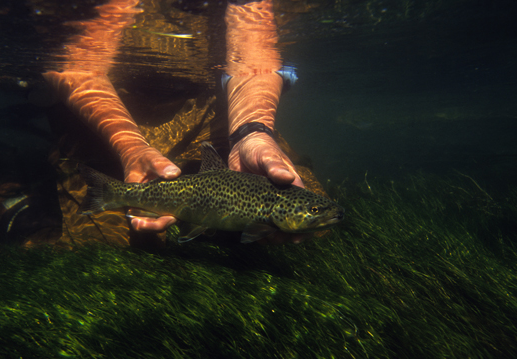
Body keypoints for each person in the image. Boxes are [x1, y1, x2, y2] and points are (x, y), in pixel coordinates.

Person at [41, 0, 318, 245]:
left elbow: (256, 62)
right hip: (107, 112)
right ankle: (11, 202)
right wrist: (130, 146)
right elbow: (73, 66)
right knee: (104, 242)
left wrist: (252, 131)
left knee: (311, 211)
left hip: (211, 112)